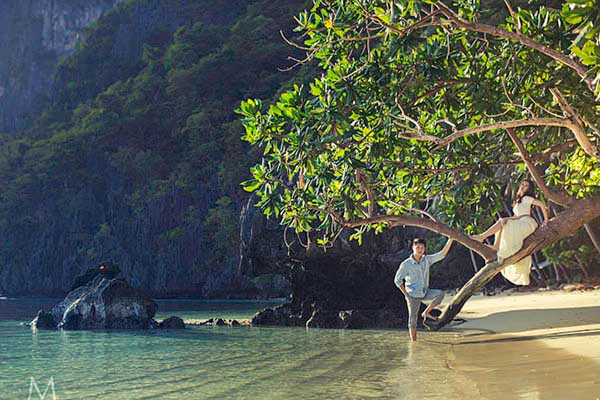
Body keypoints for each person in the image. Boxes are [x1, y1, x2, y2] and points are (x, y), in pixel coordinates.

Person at [471, 179, 549, 285]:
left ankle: (483, 237)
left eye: (526, 186)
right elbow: (515, 216)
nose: (523, 186)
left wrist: (545, 220)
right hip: (519, 221)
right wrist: (507, 219)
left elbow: (541, 204)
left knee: (503, 223)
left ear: (529, 189)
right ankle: (494, 246)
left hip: (527, 223)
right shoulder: (518, 201)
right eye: (522, 184)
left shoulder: (527, 198)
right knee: (502, 223)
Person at [394, 237, 454, 341]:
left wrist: (451, 239)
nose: (420, 249)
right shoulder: (406, 264)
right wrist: (406, 295)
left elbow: (442, 254)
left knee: (440, 294)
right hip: (412, 295)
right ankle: (414, 343)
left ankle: (426, 312)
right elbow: (397, 280)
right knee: (413, 320)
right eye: (417, 247)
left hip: (425, 292)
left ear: (424, 249)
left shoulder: (426, 260)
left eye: (422, 247)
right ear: (413, 248)